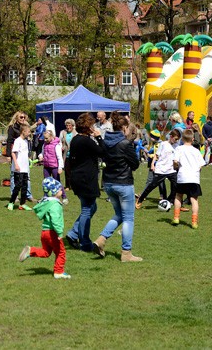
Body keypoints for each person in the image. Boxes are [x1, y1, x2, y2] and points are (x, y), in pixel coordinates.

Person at [92, 111, 142, 262]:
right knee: (128, 218)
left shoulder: (106, 141)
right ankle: (126, 253)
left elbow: (103, 153)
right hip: (124, 183)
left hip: (108, 183)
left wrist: (100, 138)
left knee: (119, 215)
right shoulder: (126, 144)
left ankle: (101, 239)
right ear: (125, 128)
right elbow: (135, 164)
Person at [65, 113, 106, 252]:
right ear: (88, 126)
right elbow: (102, 152)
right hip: (85, 179)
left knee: (91, 208)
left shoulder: (76, 139)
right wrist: (99, 137)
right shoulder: (86, 141)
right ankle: (85, 242)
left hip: (78, 177)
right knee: (87, 210)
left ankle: (72, 234)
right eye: (92, 125)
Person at [18, 177, 70, 279]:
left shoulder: (46, 202)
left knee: (46, 252)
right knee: (61, 252)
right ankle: (58, 272)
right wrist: (59, 233)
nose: (61, 190)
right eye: (60, 189)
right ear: (54, 191)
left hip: (44, 232)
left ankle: (30, 250)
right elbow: (55, 220)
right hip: (53, 233)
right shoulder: (55, 204)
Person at [136, 129, 179, 209]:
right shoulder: (163, 144)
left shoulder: (177, 146)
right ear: (171, 136)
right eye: (175, 139)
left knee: (176, 186)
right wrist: (152, 164)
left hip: (171, 170)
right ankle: (140, 199)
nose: (176, 141)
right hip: (161, 169)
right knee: (152, 185)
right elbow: (156, 155)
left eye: (177, 140)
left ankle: (170, 201)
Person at [172, 129, 204, 229]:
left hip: (182, 177)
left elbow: (175, 161)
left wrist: (176, 166)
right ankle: (194, 222)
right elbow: (201, 165)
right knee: (194, 200)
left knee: (178, 196)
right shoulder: (196, 151)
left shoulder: (179, 149)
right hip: (193, 178)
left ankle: (176, 217)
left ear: (182, 138)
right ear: (193, 139)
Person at [7, 112, 35, 201]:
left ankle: (28, 195)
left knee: (27, 176)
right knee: (14, 176)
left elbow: (29, 142)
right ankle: (14, 195)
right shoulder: (12, 128)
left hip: (24, 156)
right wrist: (8, 155)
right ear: (16, 118)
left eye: (24, 117)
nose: (23, 118)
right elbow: (9, 141)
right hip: (16, 154)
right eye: (21, 117)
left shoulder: (26, 127)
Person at [7, 123, 32, 211]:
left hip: (25, 168)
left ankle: (23, 204)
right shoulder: (18, 141)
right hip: (19, 168)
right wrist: (16, 164)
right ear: (23, 131)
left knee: (25, 186)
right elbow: (13, 152)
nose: (29, 133)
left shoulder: (26, 141)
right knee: (18, 186)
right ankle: (11, 202)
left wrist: (28, 160)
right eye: (28, 132)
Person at [40, 130, 67, 204]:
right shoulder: (44, 144)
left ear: (51, 137)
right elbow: (42, 153)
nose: (45, 140)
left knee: (57, 182)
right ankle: (46, 197)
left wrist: (60, 167)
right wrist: (40, 156)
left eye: (47, 138)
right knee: (46, 183)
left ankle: (64, 197)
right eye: (44, 138)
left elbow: (59, 157)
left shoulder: (56, 145)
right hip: (46, 166)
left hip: (54, 167)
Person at [59, 119, 75, 190]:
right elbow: (59, 141)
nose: (68, 127)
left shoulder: (76, 133)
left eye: (69, 125)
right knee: (67, 171)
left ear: (72, 126)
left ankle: (74, 185)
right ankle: (68, 186)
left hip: (74, 154)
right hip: (66, 154)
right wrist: (61, 146)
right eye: (67, 125)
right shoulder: (63, 132)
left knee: (74, 171)